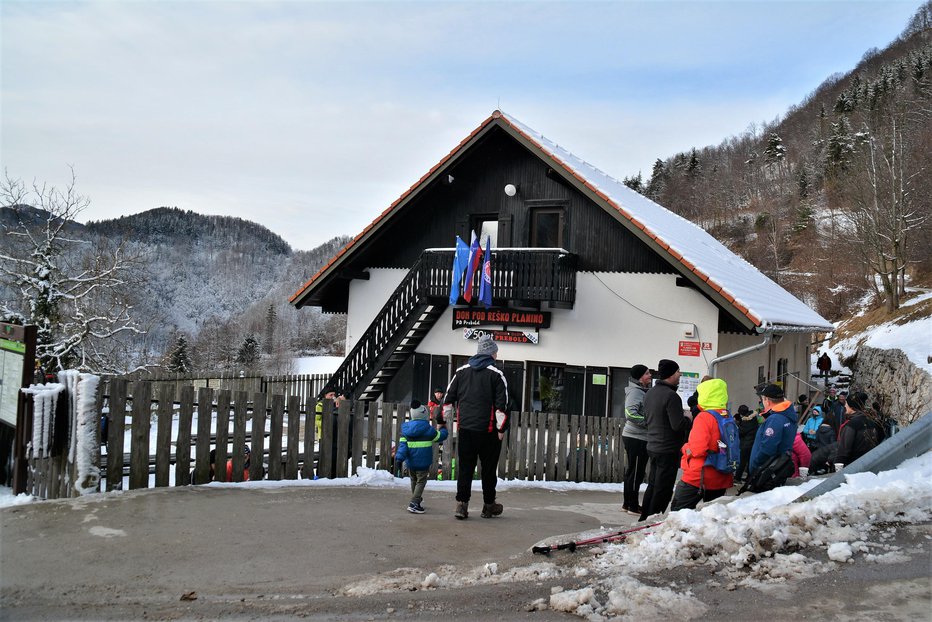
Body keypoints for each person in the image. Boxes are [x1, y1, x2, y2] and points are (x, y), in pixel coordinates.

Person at [442, 334, 509, 520]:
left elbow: (448, 401)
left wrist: (444, 420)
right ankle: (488, 506)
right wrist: (501, 429)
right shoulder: (497, 375)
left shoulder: (461, 372)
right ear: (491, 354)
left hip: (465, 430)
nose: (496, 355)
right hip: (488, 432)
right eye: (496, 352)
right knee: (488, 469)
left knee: (465, 467)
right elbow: (501, 406)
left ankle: (461, 505)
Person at [638, 359, 692, 521]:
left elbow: (648, 419)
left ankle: (644, 516)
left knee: (653, 485)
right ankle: (653, 520)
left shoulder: (650, 393)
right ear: (670, 374)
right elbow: (677, 425)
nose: (680, 374)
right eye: (677, 371)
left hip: (653, 446)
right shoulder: (671, 396)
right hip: (668, 448)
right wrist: (688, 418)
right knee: (664, 488)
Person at [670, 378, 735, 511]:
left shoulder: (704, 417)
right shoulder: (727, 416)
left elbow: (697, 449)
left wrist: (685, 448)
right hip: (721, 475)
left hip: (699, 476)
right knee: (711, 516)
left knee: (678, 513)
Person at [395, 400, 449, 513]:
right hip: (423, 463)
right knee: (421, 481)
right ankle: (414, 502)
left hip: (411, 463)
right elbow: (440, 436)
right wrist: (444, 429)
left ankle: (417, 499)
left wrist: (399, 458)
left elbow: (402, 446)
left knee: (413, 480)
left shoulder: (406, 431)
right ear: (424, 415)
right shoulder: (428, 430)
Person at [748, 384, 798, 479]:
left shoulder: (775, 419)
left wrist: (755, 464)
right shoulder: (788, 414)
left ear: (767, 400)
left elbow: (768, 448)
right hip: (777, 467)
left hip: (764, 470)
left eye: (762, 399)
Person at [621, 364, 651, 516]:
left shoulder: (640, 391)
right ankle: (632, 506)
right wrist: (649, 422)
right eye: (647, 373)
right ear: (640, 377)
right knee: (636, 472)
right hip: (636, 437)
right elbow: (630, 414)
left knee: (633, 471)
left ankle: (627, 504)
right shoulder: (635, 392)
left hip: (637, 436)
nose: (650, 375)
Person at [835, 391, 885, 467]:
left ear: (852, 407)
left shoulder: (851, 425)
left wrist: (838, 467)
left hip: (853, 467)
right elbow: (880, 437)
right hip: (870, 464)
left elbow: (843, 451)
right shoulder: (871, 421)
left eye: (846, 404)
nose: (845, 406)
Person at [734, 404, 757, 482]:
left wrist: (737, 424)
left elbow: (740, 432)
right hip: (753, 443)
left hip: (746, 444)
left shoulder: (745, 422)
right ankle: (749, 478)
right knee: (750, 461)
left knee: (742, 462)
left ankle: (737, 477)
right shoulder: (753, 418)